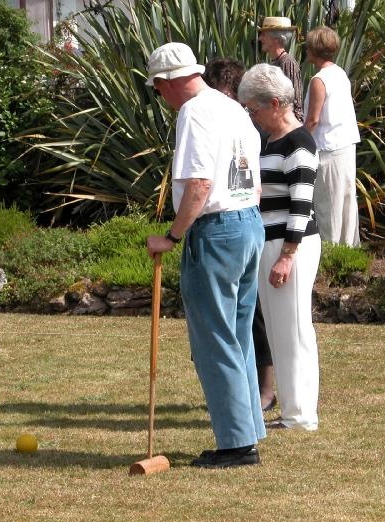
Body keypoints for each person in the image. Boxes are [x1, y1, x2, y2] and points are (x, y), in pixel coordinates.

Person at [144, 42, 266, 468]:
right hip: (248, 222)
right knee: (237, 334)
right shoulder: (232, 107)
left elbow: (198, 183)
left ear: (170, 82)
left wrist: (172, 237)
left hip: (216, 231)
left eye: (158, 88)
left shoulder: (193, 112)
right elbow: (254, 175)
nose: (160, 96)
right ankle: (248, 431)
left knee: (215, 338)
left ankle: (235, 444)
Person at [238, 64, 321, 430]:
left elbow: (301, 204)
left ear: (275, 103)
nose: (251, 116)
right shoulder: (271, 140)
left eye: (253, 109)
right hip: (272, 242)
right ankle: (292, 410)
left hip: (292, 245)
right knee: (278, 329)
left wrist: (287, 256)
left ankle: (301, 414)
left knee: (294, 329)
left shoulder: (298, 141)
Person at [204, 57, 277, 412]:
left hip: (240, 225)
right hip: (243, 224)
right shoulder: (222, 122)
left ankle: (262, 389)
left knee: (250, 317)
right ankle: (235, 394)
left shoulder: (247, 126)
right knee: (227, 318)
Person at [304, 26, 361, 246]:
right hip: (345, 145)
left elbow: (313, 120)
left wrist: (298, 143)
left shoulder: (319, 80)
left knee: (328, 204)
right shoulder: (340, 73)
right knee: (345, 201)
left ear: (314, 50)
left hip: (327, 148)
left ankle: (331, 251)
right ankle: (349, 249)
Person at [257, 16, 304, 123]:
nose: (260, 39)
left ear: (276, 39)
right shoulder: (275, 62)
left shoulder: (287, 63)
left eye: (264, 35)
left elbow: (294, 101)